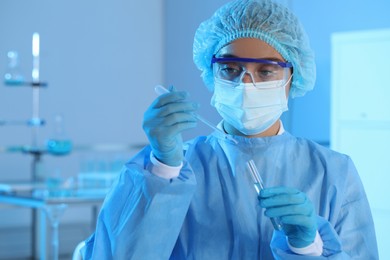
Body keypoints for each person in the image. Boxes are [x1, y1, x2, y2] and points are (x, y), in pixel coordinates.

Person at [82, 0, 378, 259]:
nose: (246, 84)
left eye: (266, 70)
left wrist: (308, 247)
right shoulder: (174, 166)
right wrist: (163, 171)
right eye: (230, 69)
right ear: (212, 73)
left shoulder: (333, 172)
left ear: (292, 76)